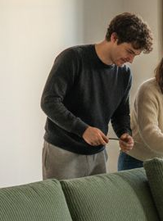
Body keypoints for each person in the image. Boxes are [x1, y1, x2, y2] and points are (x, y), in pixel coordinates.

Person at [40, 12, 154, 179]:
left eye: (135, 55)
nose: (131, 60)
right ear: (114, 37)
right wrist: (83, 130)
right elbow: (48, 101)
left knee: (94, 206)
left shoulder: (124, 74)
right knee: (60, 205)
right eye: (129, 52)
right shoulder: (72, 58)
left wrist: (124, 133)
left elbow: (121, 113)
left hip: (98, 156)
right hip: (62, 152)